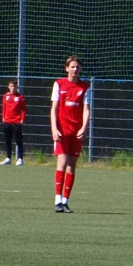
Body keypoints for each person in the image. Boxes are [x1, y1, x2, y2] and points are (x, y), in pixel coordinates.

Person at [50, 56, 91, 213]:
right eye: (72, 67)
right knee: (62, 161)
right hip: (62, 131)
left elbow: (86, 109)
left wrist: (84, 127)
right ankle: (57, 201)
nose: (75, 69)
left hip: (76, 132)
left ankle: (65, 201)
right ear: (66, 68)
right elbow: (54, 109)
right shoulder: (59, 84)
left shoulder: (85, 87)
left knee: (72, 166)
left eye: (77, 67)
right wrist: (54, 129)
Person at [0, 81, 26, 165]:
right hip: (7, 121)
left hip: (16, 122)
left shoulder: (21, 97)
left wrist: (22, 119)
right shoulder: (5, 96)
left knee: (18, 140)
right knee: (8, 140)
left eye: (15, 86)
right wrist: (3, 117)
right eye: (11, 86)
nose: (13, 88)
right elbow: (4, 108)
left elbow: (24, 109)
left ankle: (20, 159)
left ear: (17, 87)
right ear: (8, 87)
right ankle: (8, 158)